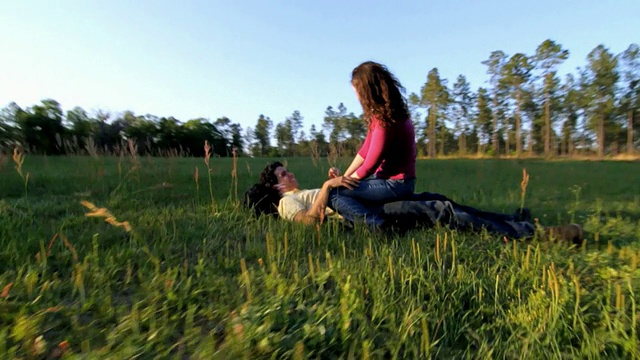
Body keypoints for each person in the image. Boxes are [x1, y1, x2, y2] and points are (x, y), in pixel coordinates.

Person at [243, 162, 585, 244]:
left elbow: (338, 195)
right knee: (441, 211)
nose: (289, 176)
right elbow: (311, 222)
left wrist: (336, 181)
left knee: (442, 200)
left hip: (364, 202)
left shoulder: (298, 193)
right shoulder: (286, 205)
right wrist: (326, 189)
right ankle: (536, 234)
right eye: (283, 174)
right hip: (368, 216)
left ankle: (515, 220)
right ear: (275, 187)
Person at [328, 62, 417, 224]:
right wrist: (344, 178)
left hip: (396, 185)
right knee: (341, 190)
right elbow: (364, 152)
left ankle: (375, 225)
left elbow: (369, 165)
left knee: (335, 195)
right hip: (388, 181)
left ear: (367, 91)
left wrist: (340, 185)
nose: (356, 97)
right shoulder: (382, 117)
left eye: (357, 91)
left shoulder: (386, 123)